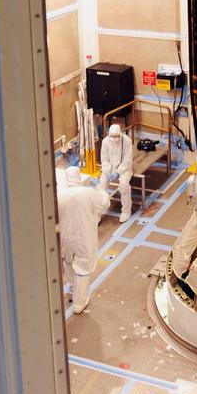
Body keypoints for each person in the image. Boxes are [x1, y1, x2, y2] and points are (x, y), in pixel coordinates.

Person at [57, 165, 110, 313]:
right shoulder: (87, 193)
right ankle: (79, 304)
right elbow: (104, 203)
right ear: (78, 177)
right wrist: (101, 189)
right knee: (82, 268)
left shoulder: (59, 195)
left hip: (65, 238)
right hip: (83, 237)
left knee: (68, 262)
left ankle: (74, 290)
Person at [100, 122, 134, 223]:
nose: (114, 139)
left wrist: (118, 172)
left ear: (120, 134)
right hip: (109, 169)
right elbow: (104, 159)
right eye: (112, 137)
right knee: (101, 186)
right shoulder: (105, 142)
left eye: (116, 137)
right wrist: (108, 171)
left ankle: (126, 211)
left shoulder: (126, 141)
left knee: (124, 186)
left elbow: (128, 160)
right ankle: (99, 212)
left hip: (124, 169)